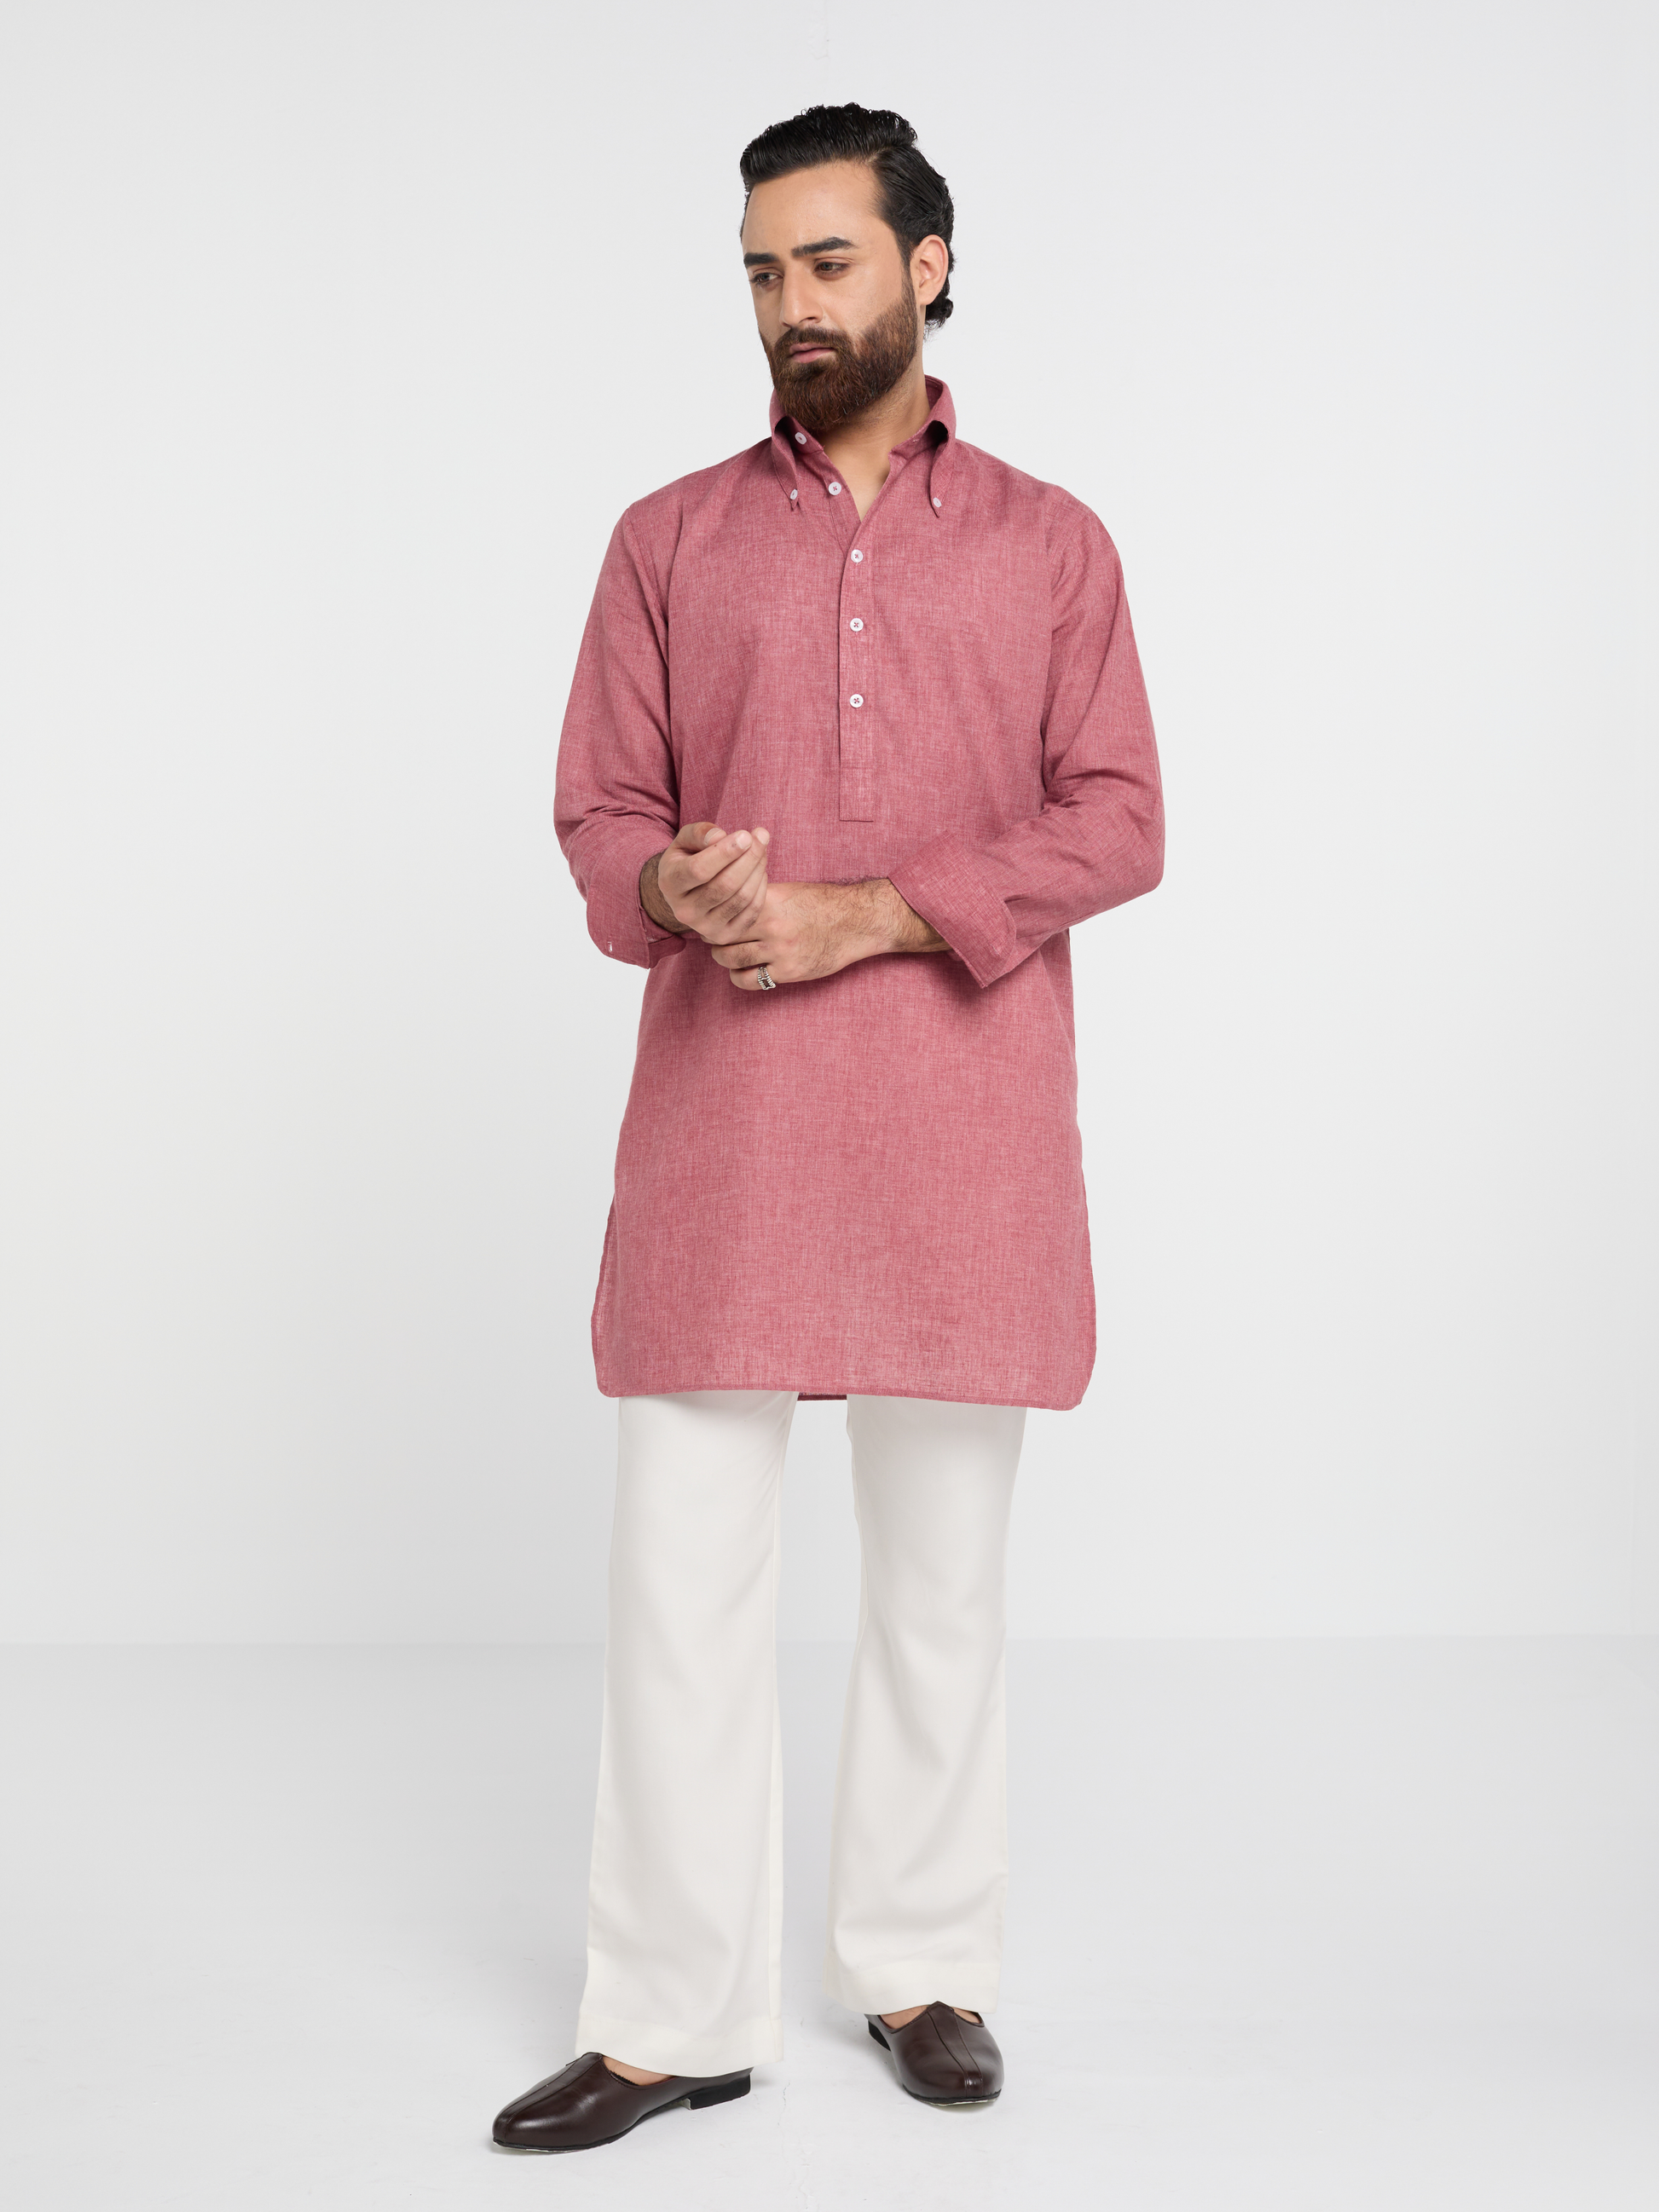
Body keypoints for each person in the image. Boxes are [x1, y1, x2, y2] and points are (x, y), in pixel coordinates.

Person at [492, 101, 1164, 2155]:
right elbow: (601, 811)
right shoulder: (667, 541)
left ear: (927, 267)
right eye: (764, 271)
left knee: (938, 1582)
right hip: (731, 1123)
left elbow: (1120, 818)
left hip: (963, 1127)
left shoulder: (1050, 544)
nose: (792, 302)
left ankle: (921, 1963)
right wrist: (665, 884)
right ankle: (666, 2016)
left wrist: (866, 912)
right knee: (681, 1581)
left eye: (829, 261)